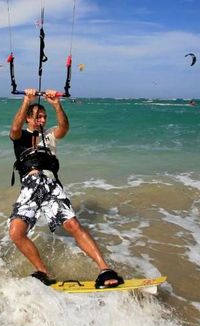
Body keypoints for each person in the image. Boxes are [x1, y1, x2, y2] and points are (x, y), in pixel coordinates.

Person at [8, 88, 123, 288]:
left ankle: (105, 269)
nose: (42, 120)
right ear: (28, 118)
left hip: (51, 185)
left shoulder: (51, 134)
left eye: (44, 117)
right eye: (37, 117)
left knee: (73, 225)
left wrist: (56, 104)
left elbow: (64, 127)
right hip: (29, 188)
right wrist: (27, 100)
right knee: (16, 233)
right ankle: (43, 271)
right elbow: (15, 127)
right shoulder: (20, 136)